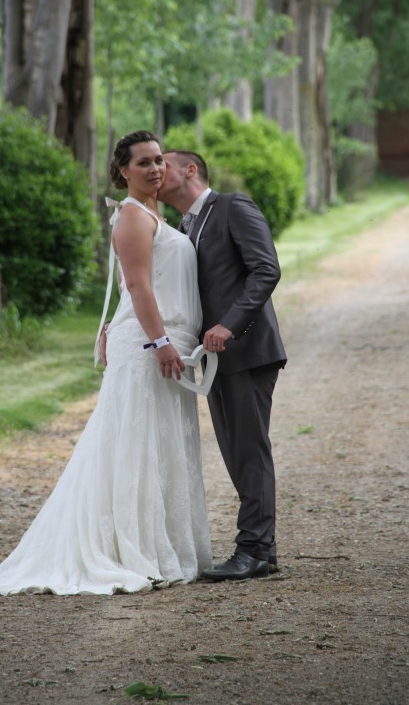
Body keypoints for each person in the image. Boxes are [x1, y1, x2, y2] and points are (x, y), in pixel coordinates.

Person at [0, 131, 212, 597]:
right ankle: (128, 550)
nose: (155, 169)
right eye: (143, 163)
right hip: (151, 348)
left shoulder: (155, 213)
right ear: (121, 172)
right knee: (133, 443)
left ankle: (159, 545)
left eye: (158, 160)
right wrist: (161, 343)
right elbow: (139, 287)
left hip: (168, 342)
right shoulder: (133, 217)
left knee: (160, 442)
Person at [157, 150, 287, 581]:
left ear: (190, 170)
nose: (157, 172)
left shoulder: (232, 206)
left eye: (165, 164)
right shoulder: (183, 227)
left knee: (250, 450)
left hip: (247, 350)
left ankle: (254, 550)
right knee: (236, 452)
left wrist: (229, 326)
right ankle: (261, 550)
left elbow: (266, 270)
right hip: (213, 360)